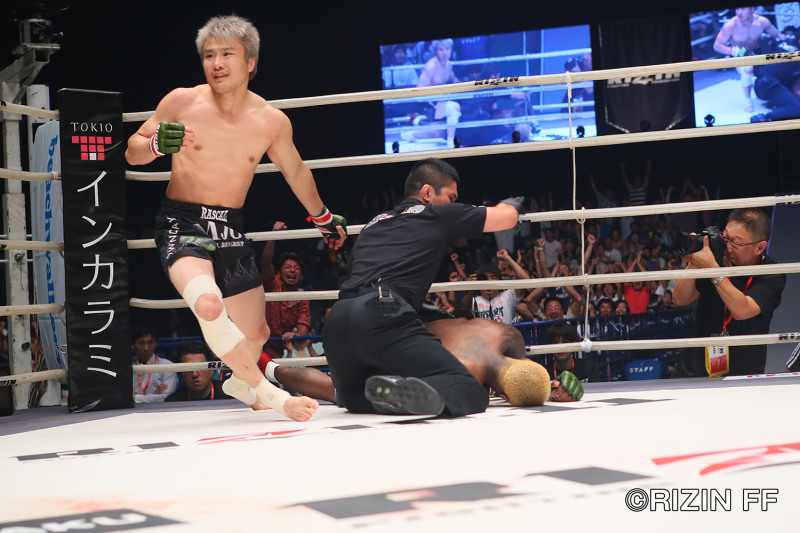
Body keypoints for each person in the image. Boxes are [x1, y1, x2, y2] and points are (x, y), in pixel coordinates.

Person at [125, 15, 346, 421]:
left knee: (256, 334)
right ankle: (273, 395)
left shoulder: (270, 121)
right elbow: (132, 151)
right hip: (182, 221)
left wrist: (322, 216)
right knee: (208, 305)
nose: (217, 63)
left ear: (250, 62)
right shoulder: (182, 102)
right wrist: (154, 144)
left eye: (227, 54)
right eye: (209, 55)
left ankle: (240, 382)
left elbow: (296, 172)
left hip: (228, 227)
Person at [323, 158, 529, 417]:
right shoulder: (436, 214)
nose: (453, 203)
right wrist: (512, 202)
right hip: (380, 314)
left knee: (353, 398)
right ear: (427, 192)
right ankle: (416, 395)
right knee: (469, 390)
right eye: (451, 197)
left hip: (337, 322)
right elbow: (507, 218)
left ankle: (399, 395)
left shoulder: (373, 223)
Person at [263, 316, 584, 405]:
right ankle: (268, 368)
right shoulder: (467, 375)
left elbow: (521, 370)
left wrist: (548, 386)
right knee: (340, 392)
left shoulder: (508, 335)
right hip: (388, 346)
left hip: (399, 318)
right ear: (504, 396)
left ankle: (265, 365)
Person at [673, 208, 786, 376]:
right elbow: (680, 299)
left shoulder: (772, 274)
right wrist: (695, 261)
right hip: (694, 370)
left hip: (742, 374)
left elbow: (742, 310)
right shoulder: (715, 258)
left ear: (759, 248)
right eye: (725, 237)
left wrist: (713, 270)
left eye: (736, 242)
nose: (728, 247)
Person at [713, 7, 785, 112]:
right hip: (739, 54)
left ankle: (776, 95)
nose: (739, 12)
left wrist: (790, 41)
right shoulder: (731, 25)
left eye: (742, 9)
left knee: (777, 67)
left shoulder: (762, 21)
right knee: (748, 69)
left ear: (752, 9)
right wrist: (735, 51)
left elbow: (777, 35)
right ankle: (748, 100)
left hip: (757, 51)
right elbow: (717, 45)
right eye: (737, 9)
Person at [261, 221, 312, 358]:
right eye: (288, 267)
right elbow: (265, 263)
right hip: (263, 348)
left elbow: (303, 329)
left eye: (296, 268)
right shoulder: (273, 284)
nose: (292, 270)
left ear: (301, 276)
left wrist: (295, 334)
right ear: (279, 272)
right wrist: (273, 235)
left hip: (287, 352)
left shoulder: (302, 298)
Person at [417, 39, 461, 148]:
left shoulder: (449, 65)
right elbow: (419, 89)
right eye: (441, 50)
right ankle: (450, 143)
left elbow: (453, 79)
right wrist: (435, 96)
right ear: (435, 51)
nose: (444, 52)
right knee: (454, 107)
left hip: (443, 100)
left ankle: (413, 134)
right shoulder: (431, 66)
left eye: (447, 49)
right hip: (430, 104)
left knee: (456, 109)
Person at [166, 342, 233, 401]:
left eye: (200, 367)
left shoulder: (230, 396)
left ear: (210, 371)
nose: (194, 374)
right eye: (188, 368)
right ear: (181, 373)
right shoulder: (173, 402)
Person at [131, 326, 178, 403]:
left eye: (150, 342)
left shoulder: (167, 366)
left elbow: (165, 398)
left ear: (156, 344)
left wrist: (134, 397)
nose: (146, 348)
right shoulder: (126, 368)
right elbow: (122, 398)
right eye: (141, 343)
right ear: (132, 345)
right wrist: (153, 395)